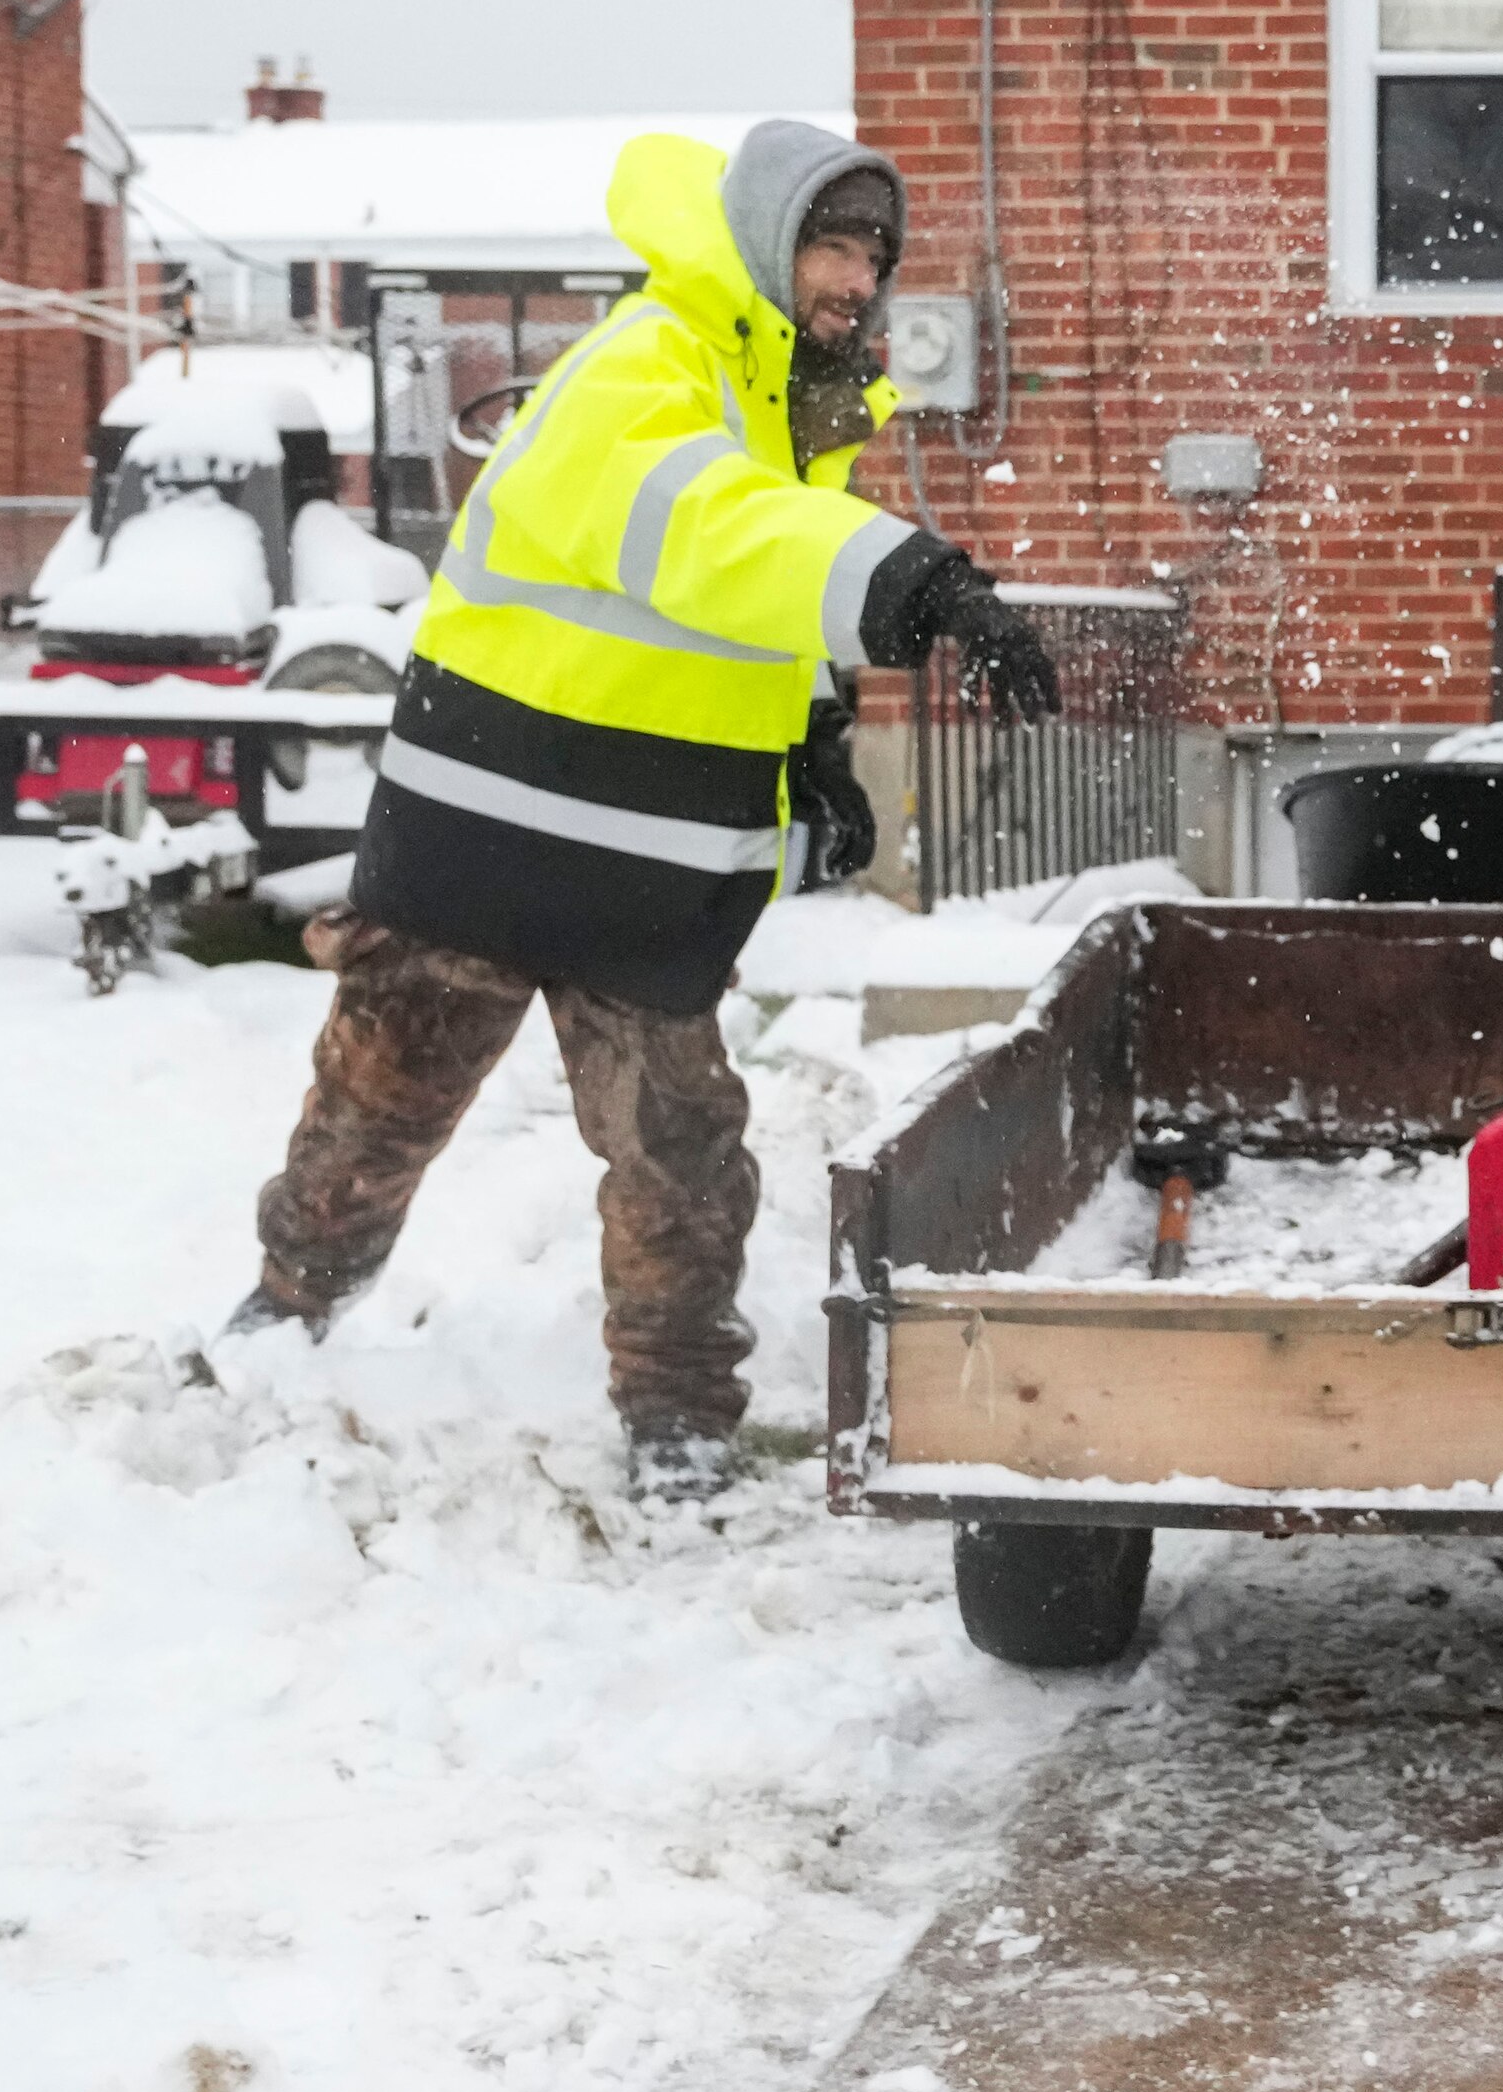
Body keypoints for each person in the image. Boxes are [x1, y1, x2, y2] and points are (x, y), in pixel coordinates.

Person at [233, 119, 1058, 1495]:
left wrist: (814, 760)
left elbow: (745, 616)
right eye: (829, 243)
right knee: (382, 1101)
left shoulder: (793, 412)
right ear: (758, 240)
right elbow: (704, 532)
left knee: (682, 1149)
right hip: (488, 830)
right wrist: (915, 576)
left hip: (635, 860)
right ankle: (286, 1313)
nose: (854, 278)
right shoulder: (648, 366)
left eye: (872, 254)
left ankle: (677, 1420)